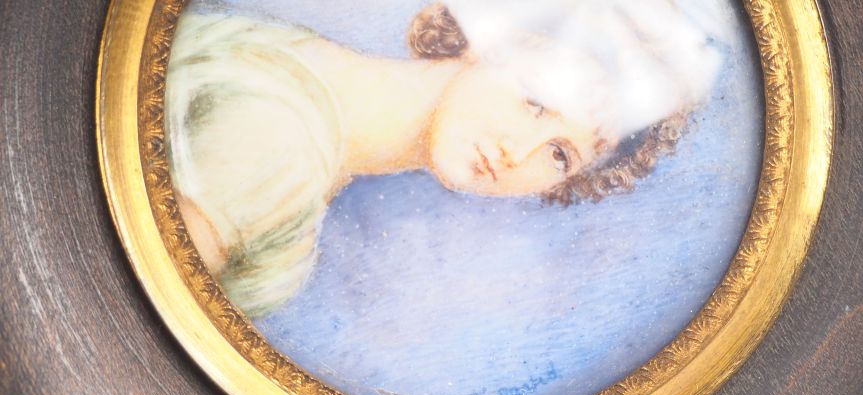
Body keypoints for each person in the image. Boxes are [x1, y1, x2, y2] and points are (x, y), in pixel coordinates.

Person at [166, 0, 724, 316]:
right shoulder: (283, 142)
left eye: (560, 155)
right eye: (534, 100)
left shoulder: (309, 77)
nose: (516, 153)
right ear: (491, 39)